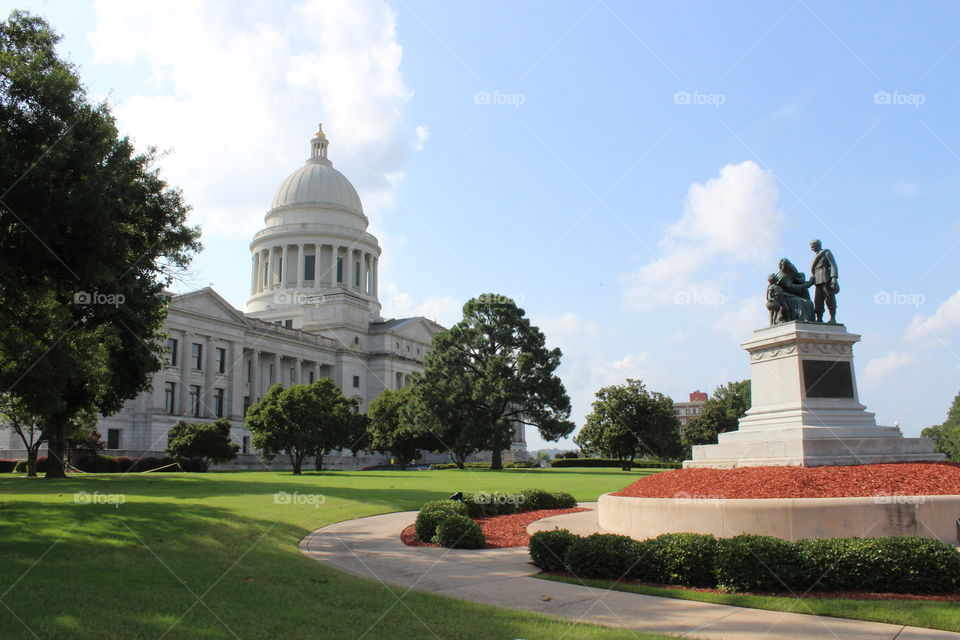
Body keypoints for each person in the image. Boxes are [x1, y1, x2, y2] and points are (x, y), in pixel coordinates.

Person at [808, 239, 839, 323]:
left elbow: (833, 265)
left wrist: (834, 277)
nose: (811, 249)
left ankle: (832, 318)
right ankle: (819, 318)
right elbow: (813, 270)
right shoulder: (816, 255)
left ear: (817, 245)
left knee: (829, 298)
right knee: (818, 300)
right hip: (817, 280)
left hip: (826, 278)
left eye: (812, 247)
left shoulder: (826, 252)